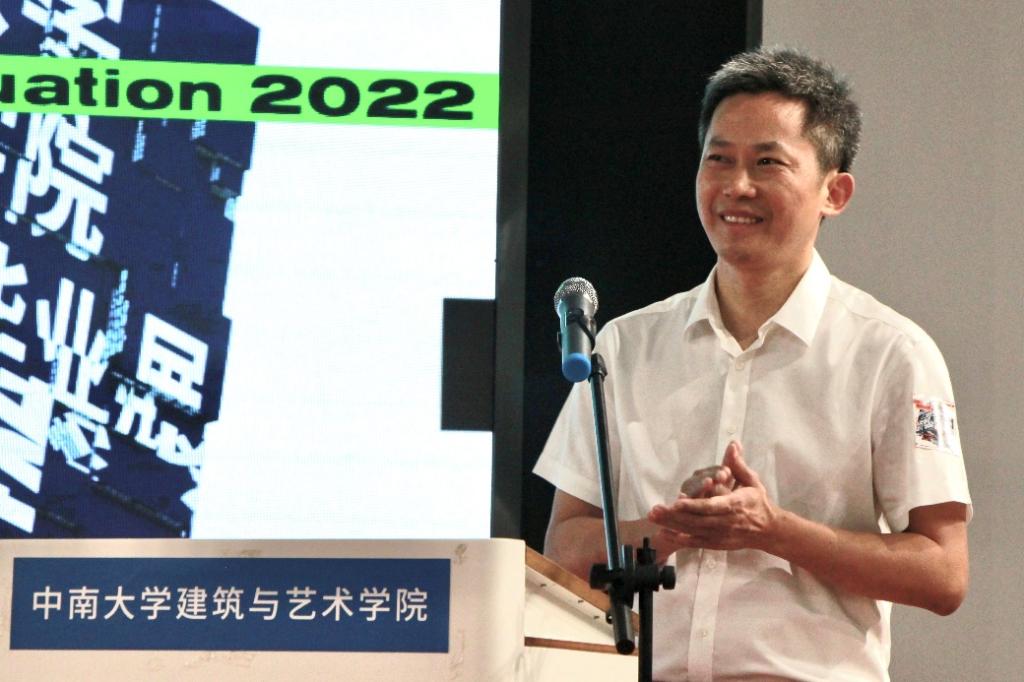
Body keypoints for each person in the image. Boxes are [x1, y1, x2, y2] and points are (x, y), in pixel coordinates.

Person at [533, 47, 971, 682]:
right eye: (719, 159)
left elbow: (943, 573)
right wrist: (667, 530)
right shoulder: (626, 347)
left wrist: (773, 530)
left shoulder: (891, 352)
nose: (736, 186)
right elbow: (564, 549)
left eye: (768, 162)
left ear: (834, 192)